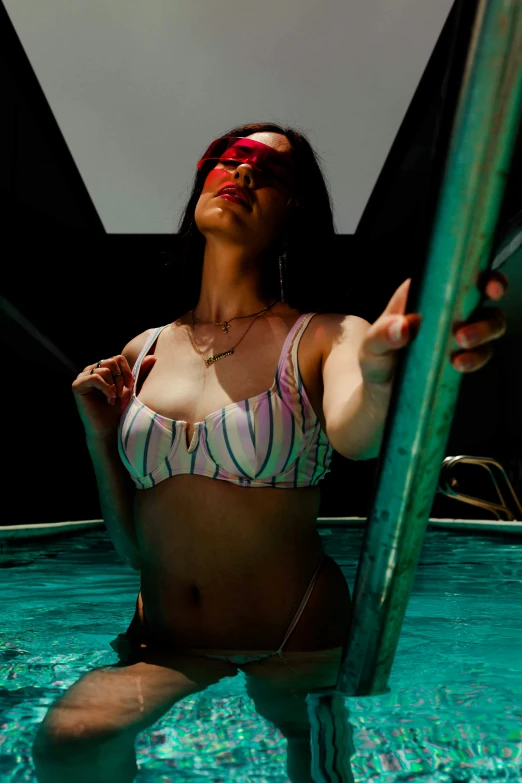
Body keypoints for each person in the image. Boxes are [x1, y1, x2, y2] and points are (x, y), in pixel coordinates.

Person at [33, 122, 509, 783]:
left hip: (296, 638)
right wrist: (97, 432)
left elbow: (357, 433)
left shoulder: (326, 335)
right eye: (228, 158)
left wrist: (377, 369)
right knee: (69, 742)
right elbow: (133, 547)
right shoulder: (141, 351)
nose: (243, 172)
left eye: (270, 171)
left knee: (318, 773)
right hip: (167, 639)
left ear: (296, 210)